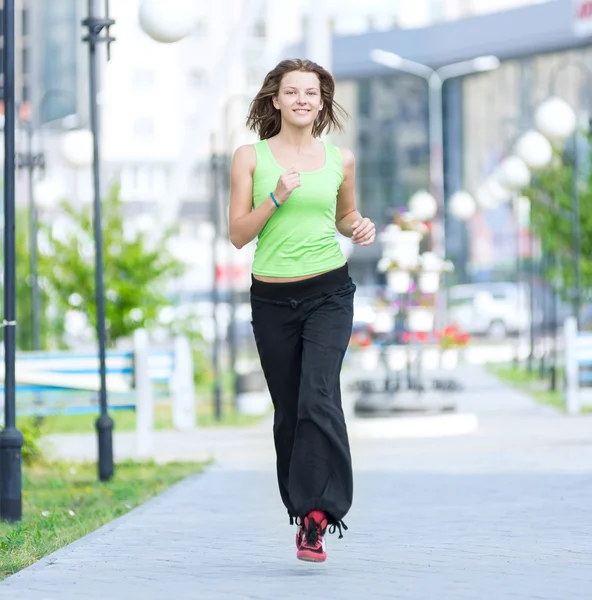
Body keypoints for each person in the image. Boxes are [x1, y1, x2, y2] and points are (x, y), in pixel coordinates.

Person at [229, 58, 376, 563]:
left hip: (329, 294)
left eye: (310, 93)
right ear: (276, 100)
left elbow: (344, 216)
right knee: (290, 410)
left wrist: (359, 226)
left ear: (321, 101)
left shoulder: (341, 160)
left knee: (319, 396)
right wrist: (275, 196)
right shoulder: (250, 157)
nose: (301, 100)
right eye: (292, 92)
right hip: (272, 300)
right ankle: (300, 506)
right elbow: (238, 234)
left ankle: (318, 516)